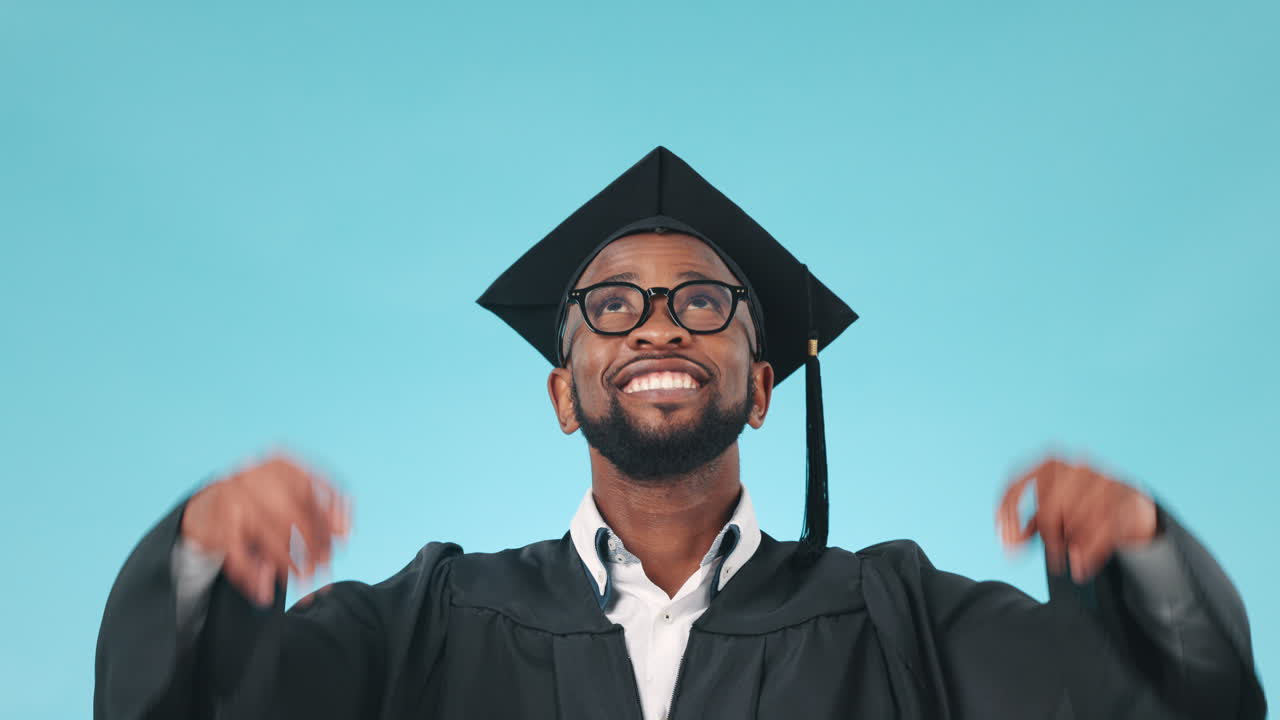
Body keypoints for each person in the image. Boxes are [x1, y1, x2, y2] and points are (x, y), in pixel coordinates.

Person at [95, 147, 1265, 720]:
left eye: (703, 301)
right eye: (611, 304)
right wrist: (200, 558)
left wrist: (1141, 555)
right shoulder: (426, 622)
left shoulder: (902, 620)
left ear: (761, 384)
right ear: (564, 391)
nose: (658, 321)